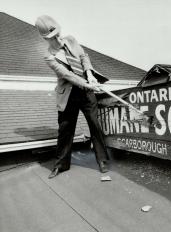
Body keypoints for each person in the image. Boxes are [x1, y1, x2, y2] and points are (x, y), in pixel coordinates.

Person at [35, 15, 110, 179]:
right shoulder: (49, 56)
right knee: (65, 130)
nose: (57, 38)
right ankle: (61, 164)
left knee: (95, 124)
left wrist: (89, 74)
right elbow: (67, 75)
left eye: (57, 33)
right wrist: (86, 83)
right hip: (69, 94)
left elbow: (84, 57)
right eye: (52, 37)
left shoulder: (71, 40)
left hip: (85, 92)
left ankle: (103, 161)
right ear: (44, 38)